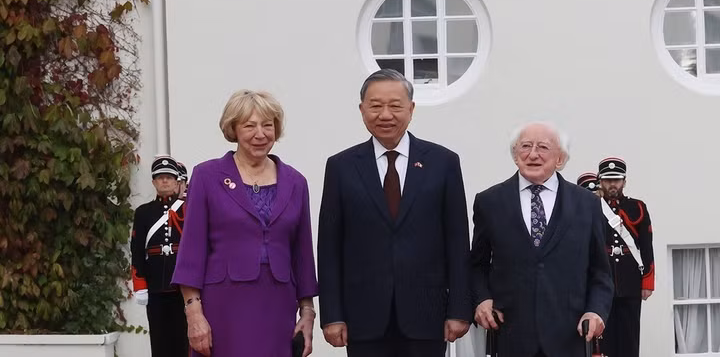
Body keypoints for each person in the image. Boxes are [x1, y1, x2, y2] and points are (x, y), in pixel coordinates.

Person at [317, 69, 471, 357]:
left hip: (427, 315)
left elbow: (458, 241)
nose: (385, 114)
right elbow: (329, 247)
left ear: (411, 109)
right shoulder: (341, 167)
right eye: (375, 106)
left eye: (395, 106)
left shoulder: (443, 162)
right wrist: (332, 314)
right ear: (362, 109)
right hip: (363, 316)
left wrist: (460, 309)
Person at [171, 90, 318, 357]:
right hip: (223, 306)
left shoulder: (296, 182)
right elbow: (191, 250)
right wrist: (193, 313)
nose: (260, 134)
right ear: (234, 129)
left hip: (277, 305)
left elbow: (303, 254)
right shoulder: (206, 176)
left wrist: (307, 312)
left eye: (267, 125)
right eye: (249, 126)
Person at [471, 122, 612, 357]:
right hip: (510, 337)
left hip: (569, 338)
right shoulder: (489, 202)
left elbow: (601, 272)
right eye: (525, 146)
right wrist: (482, 300)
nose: (533, 154)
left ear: (560, 159)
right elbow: (476, 266)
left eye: (543, 147)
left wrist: (595, 312)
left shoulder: (586, 204)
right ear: (515, 156)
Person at [130, 155, 189, 357]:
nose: (165, 181)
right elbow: (137, 251)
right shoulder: (143, 212)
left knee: (184, 339)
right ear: (154, 182)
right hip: (155, 285)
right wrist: (140, 285)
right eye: (160, 177)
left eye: (169, 177)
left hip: (183, 284)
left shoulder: (188, 209)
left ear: (176, 181)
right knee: (159, 340)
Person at [596, 158, 655, 357]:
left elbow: (646, 245)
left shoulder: (637, 207)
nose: (613, 184)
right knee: (605, 339)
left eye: (617, 180)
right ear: (600, 181)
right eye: (608, 180)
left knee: (630, 337)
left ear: (624, 181)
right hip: (602, 280)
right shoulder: (591, 207)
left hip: (630, 279)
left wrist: (648, 281)